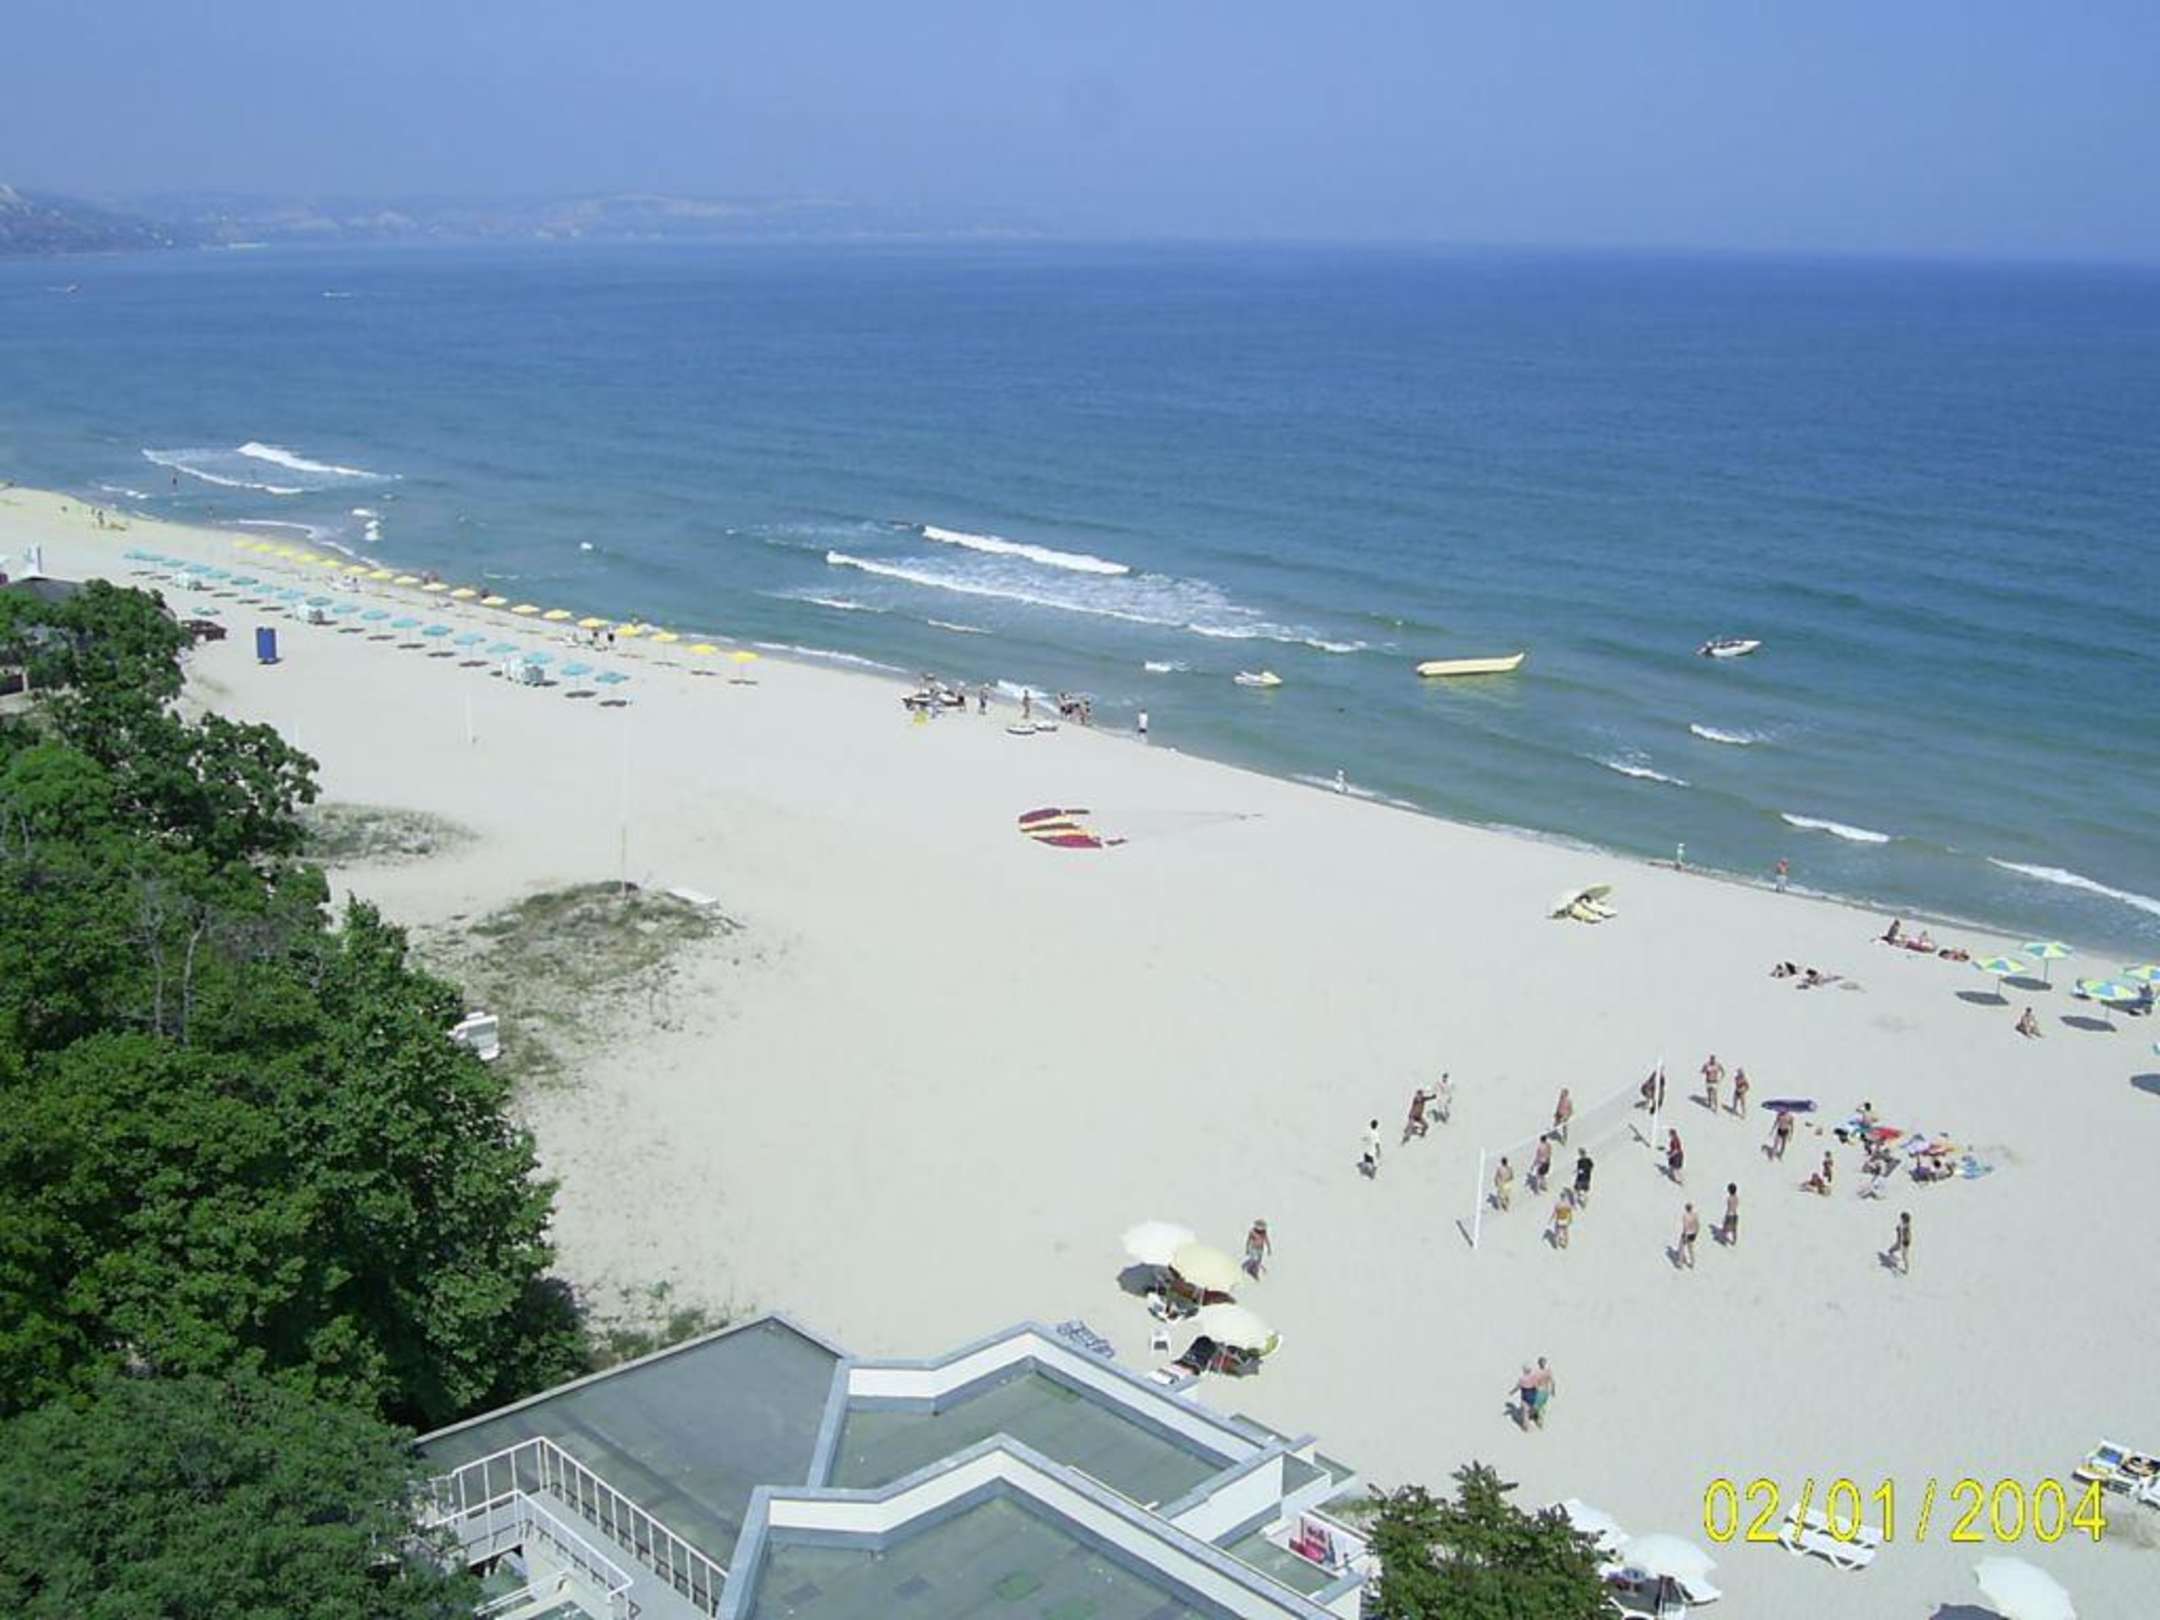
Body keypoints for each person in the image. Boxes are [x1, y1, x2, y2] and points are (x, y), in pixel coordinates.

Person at [1677, 1202, 1700, 1268]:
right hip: (1693, 1233)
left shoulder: (1685, 1216)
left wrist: (1685, 1235)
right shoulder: (1695, 1215)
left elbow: (1685, 1226)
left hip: (1686, 1233)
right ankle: (1692, 1263)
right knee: (1691, 1248)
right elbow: (1697, 1225)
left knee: (1681, 1247)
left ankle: (1680, 1262)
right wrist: (1696, 1233)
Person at [1891, 1211, 1912, 1275]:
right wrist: (1898, 1230)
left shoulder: (1907, 1227)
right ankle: (1892, 1252)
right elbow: (1900, 1232)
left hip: (1905, 1243)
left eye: (1902, 1218)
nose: (1901, 1219)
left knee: (1904, 1256)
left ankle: (1907, 1269)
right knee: (1896, 1247)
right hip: (1900, 1241)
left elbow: (1908, 1235)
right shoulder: (1903, 1225)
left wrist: (1906, 1242)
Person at [1722, 1182, 1741, 1246]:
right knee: (1734, 1229)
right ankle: (1734, 1240)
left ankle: (1724, 1239)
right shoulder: (1737, 1197)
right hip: (1735, 1214)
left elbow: (1729, 1207)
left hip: (1729, 1214)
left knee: (1726, 1227)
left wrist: (1726, 1214)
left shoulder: (1729, 1198)